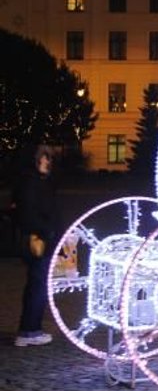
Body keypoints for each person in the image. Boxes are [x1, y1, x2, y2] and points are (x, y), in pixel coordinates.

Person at [13, 144, 60, 347]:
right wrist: (46, 231)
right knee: (38, 287)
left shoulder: (40, 181)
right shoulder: (31, 182)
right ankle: (29, 331)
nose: (45, 162)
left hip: (43, 239)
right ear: (34, 160)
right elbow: (28, 213)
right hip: (38, 240)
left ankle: (30, 329)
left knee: (37, 285)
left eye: (48, 158)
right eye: (42, 157)